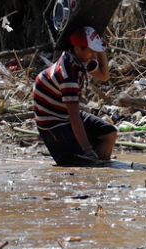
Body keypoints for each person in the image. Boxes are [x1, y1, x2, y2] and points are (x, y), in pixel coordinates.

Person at [32, 26, 117, 166]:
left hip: (64, 112)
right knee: (81, 161)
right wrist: (88, 150)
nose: (94, 55)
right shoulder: (68, 75)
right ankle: (96, 164)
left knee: (110, 133)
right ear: (77, 49)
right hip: (52, 122)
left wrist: (99, 47)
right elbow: (74, 117)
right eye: (91, 51)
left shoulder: (80, 61)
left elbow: (104, 75)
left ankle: (100, 163)